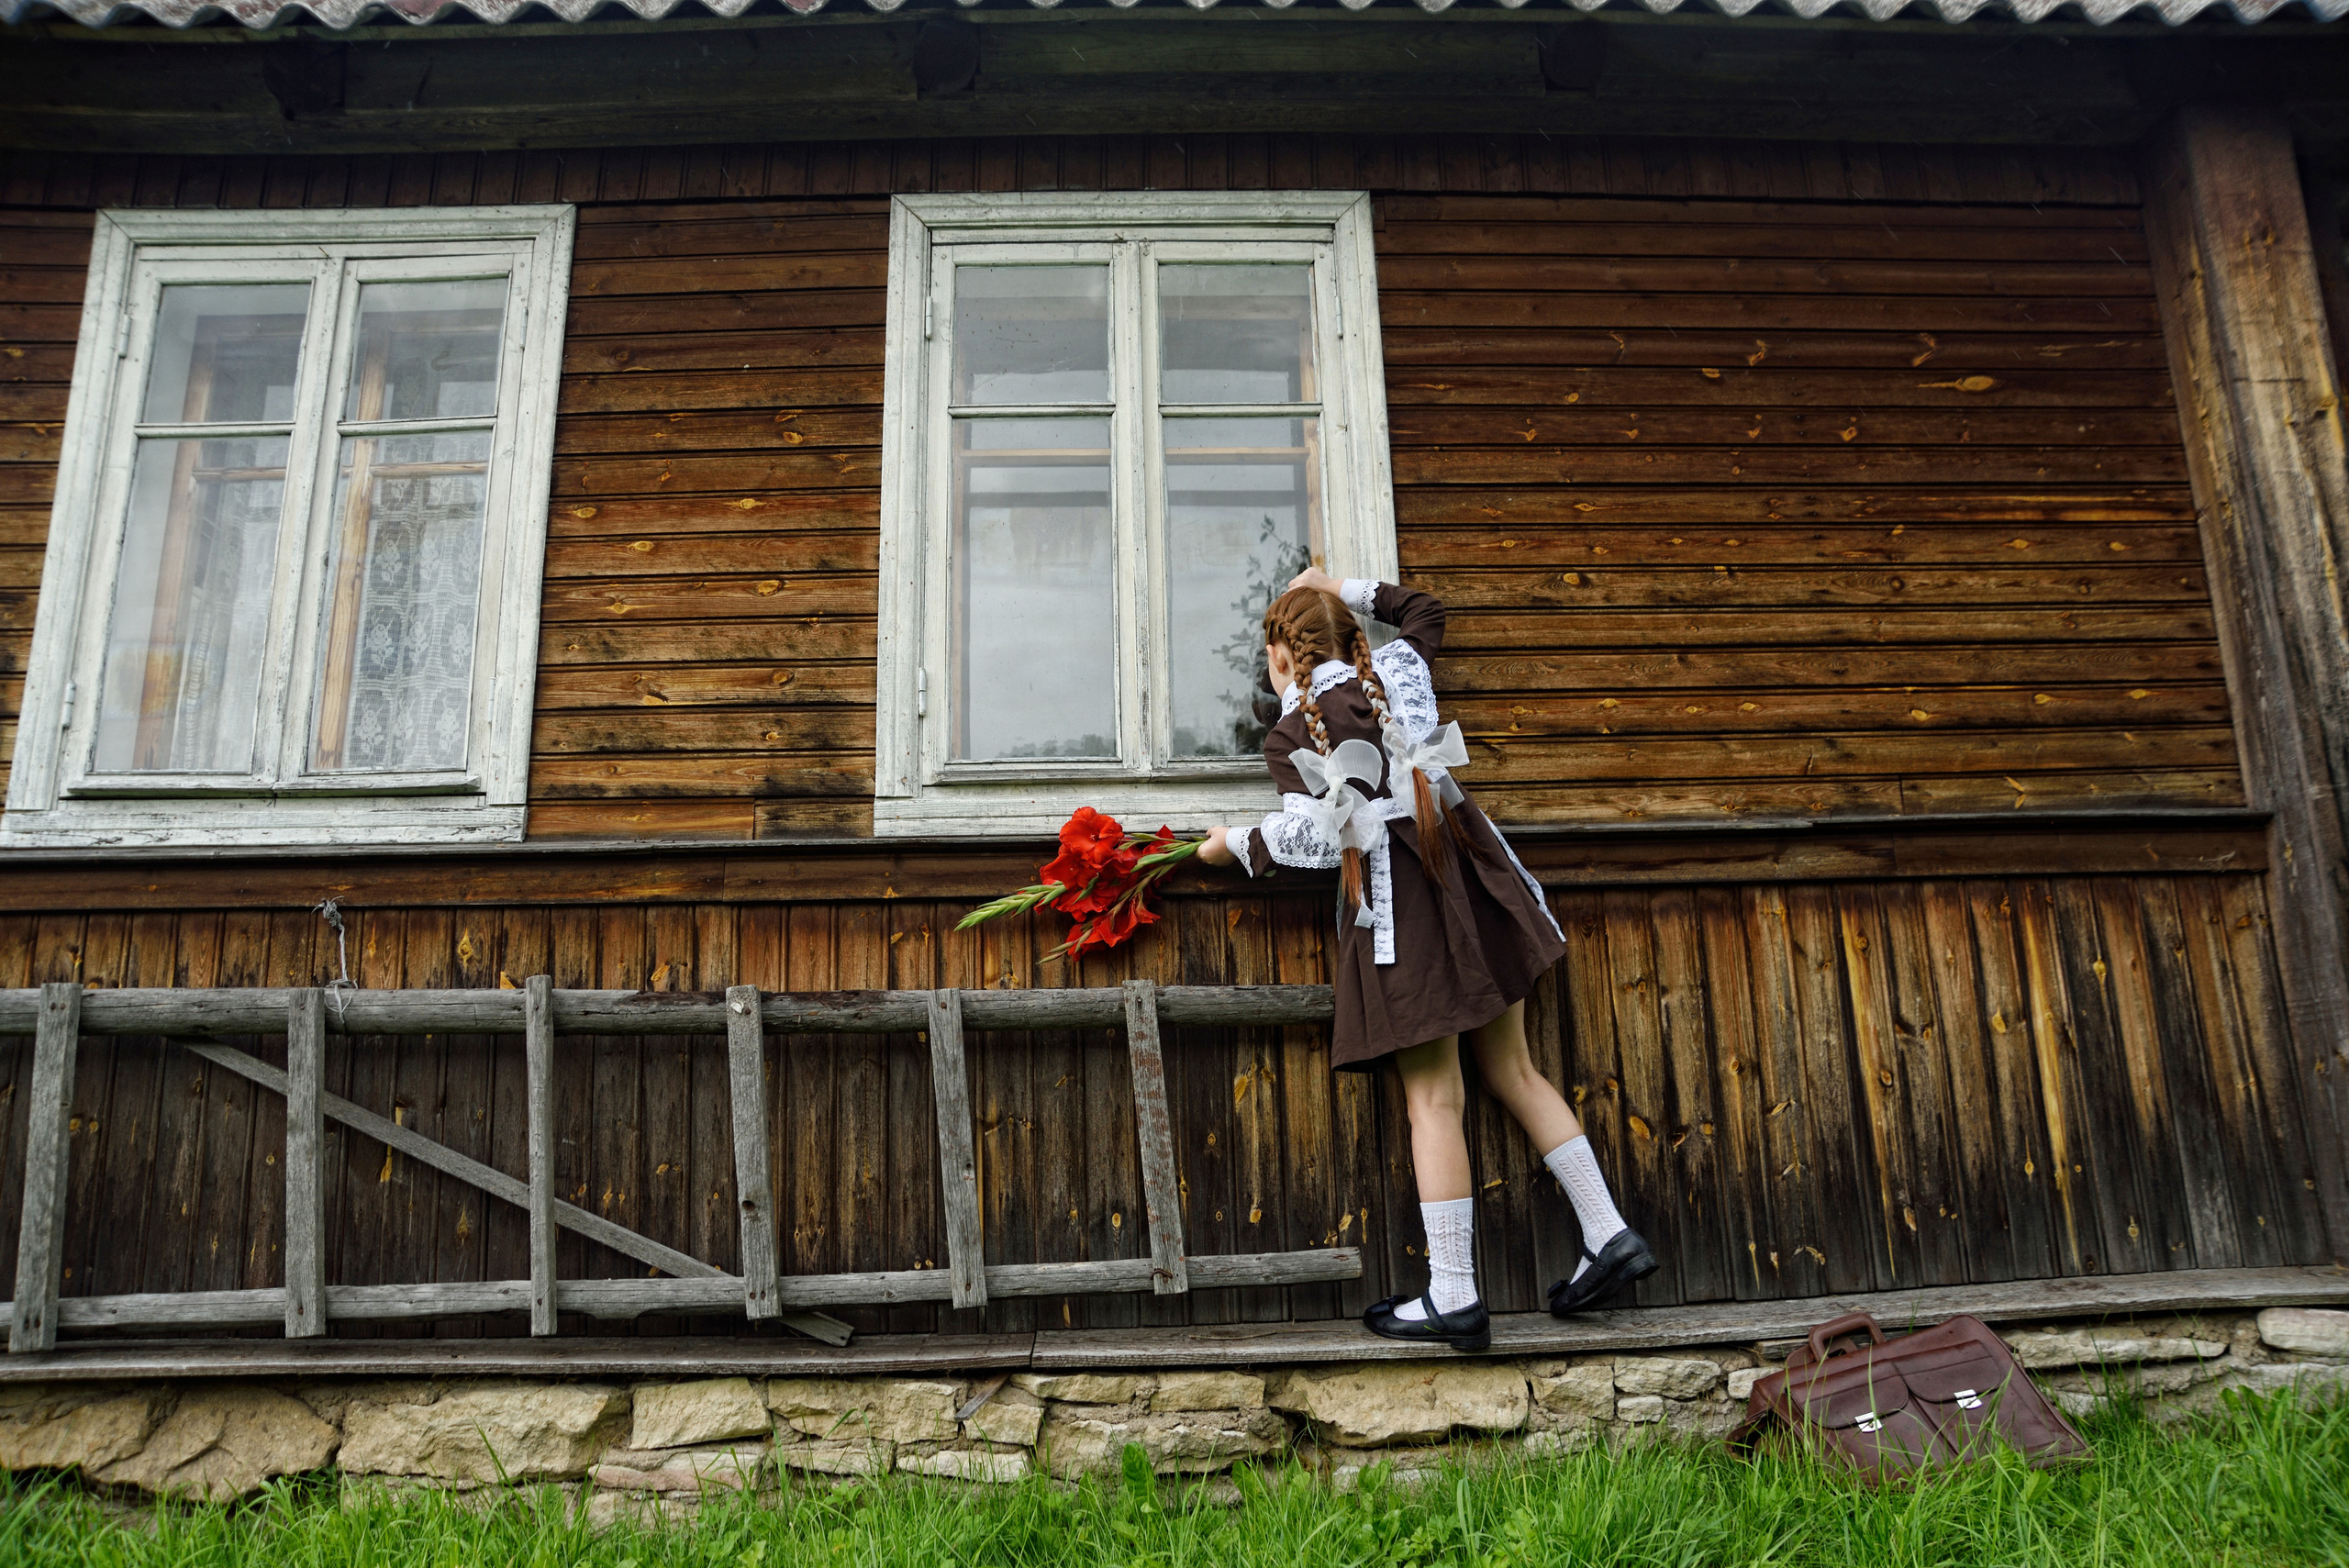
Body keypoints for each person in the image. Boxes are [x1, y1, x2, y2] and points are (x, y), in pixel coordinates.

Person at [1197, 567, 1654, 1351]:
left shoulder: (1293, 729)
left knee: (1435, 1100)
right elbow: (1422, 609)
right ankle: (1609, 1231)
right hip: (1470, 884)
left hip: (1402, 910)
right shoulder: (1398, 670)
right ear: (1350, 640)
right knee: (1516, 1070)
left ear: (1281, 658)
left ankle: (1454, 1294)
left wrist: (1231, 845)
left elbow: (1314, 836)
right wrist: (1339, 582)